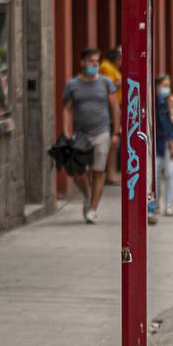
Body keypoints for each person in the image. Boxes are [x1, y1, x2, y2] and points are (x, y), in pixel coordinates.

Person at [62, 47, 118, 224]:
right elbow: (67, 108)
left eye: (96, 61)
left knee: (98, 172)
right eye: (91, 61)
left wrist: (115, 132)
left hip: (102, 133)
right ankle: (87, 195)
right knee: (78, 173)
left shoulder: (105, 82)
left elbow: (115, 107)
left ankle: (92, 210)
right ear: (82, 62)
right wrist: (66, 130)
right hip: (80, 135)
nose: (95, 64)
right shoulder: (73, 85)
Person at [148, 74, 173, 224]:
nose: (167, 89)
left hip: (162, 143)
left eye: (168, 85)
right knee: (166, 175)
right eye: (164, 86)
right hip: (164, 143)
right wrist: (172, 146)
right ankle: (166, 205)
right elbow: (167, 127)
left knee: (160, 175)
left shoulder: (166, 101)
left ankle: (161, 204)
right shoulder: (160, 103)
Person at [98, 47, 124, 183]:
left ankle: (111, 174)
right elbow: (106, 85)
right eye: (120, 58)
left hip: (115, 107)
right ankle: (108, 174)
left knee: (114, 145)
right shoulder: (106, 67)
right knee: (110, 144)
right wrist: (119, 83)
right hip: (108, 108)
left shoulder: (113, 68)